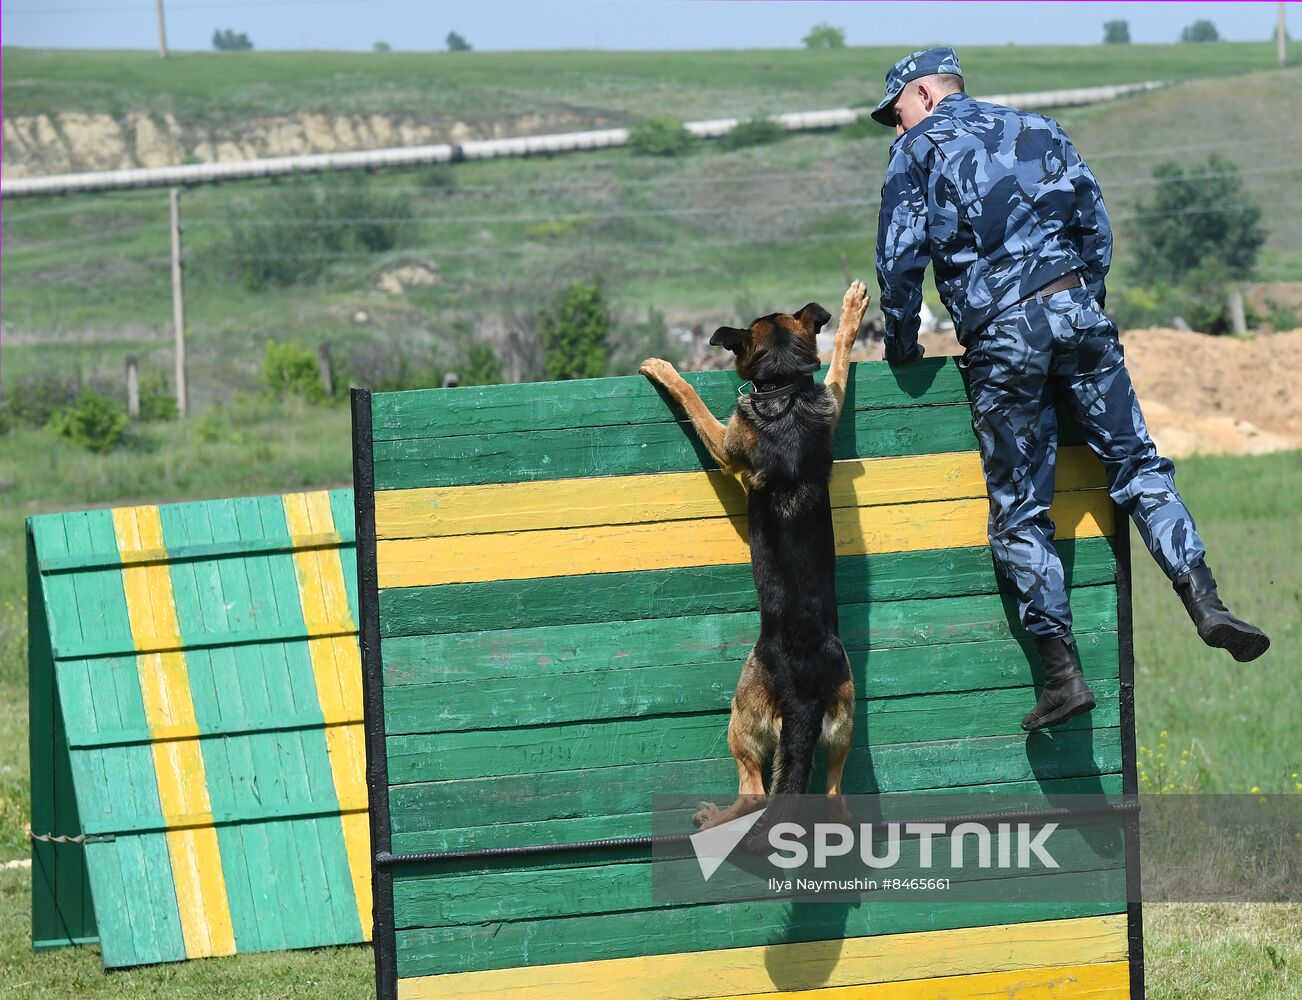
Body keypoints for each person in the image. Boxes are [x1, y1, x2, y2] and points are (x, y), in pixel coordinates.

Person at [870, 47, 1270, 733]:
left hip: (1002, 335)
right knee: (1140, 467)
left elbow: (900, 264)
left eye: (895, 111)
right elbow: (1095, 228)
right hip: (1077, 309)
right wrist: (1082, 305)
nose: (893, 127)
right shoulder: (1040, 129)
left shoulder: (916, 150)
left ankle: (1063, 676)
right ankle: (1206, 602)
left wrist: (903, 345)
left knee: (1019, 512)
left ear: (926, 95)